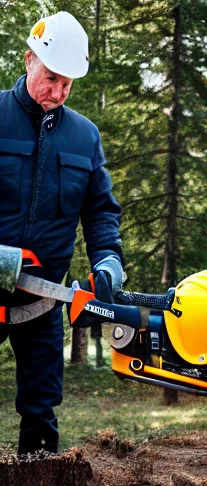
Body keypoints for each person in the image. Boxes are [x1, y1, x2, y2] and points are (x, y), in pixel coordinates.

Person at [0, 11, 124, 454]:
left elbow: (100, 212)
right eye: (51, 78)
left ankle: (37, 484)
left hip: (41, 298)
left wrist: (108, 260)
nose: (57, 92)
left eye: (67, 84)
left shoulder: (84, 137)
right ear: (30, 59)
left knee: (41, 408)